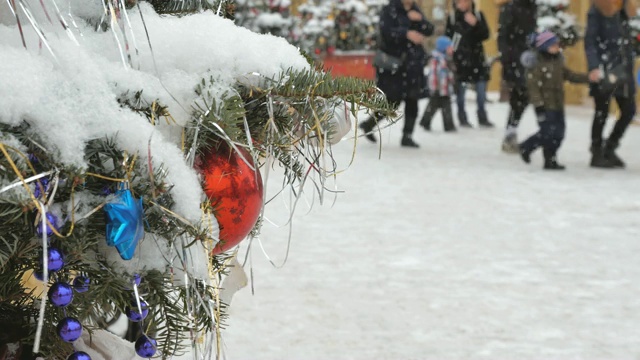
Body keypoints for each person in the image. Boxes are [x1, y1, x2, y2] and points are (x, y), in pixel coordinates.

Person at [358, 0, 434, 148]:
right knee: (392, 101)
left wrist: (420, 20)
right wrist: (406, 33)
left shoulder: (416, 10)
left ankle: (407, 135)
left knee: (413, 100)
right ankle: (369, 124)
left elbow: (429, 29)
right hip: (395, 65)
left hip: (413, 64)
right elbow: (385, 31)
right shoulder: (390, 9)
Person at [518, 31, 590, 170]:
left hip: (557, 103)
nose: (557, 47)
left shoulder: (557, 61)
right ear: (545, 46)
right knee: (547, 133)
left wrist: (588, 78)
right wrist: (538, 105)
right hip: (545, 105)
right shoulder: (536, 63)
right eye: (553, 45)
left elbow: (570, 75)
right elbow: (533, 87)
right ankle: (526, 147)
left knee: (559, 133)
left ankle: (550, 159)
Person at [584, 0, 637, 168]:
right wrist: (594, 66)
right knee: (602, 112)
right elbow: (590, 41)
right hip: (605, 69)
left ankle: (610, 147)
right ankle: (596, 151)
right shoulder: (599, 9)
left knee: (629, 110)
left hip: (623, 70)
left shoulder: (625, 9)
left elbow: (626, 40)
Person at [445, 0, 494, 128]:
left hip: (477, 58)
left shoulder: (478, 15)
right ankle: (462, 118)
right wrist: (451, 49)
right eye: (459, 1)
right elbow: (450, 37)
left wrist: (476, 24)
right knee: (460, 92)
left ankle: (482, 117)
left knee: (481, 91)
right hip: (461, 60)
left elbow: (486, 34)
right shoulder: (453, 17)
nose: (462, 4)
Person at [497, 0, 538, 153]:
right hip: (515, 59)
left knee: (523, 97)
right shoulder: (511, 8)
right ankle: (510, 134)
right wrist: (507, 61)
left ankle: (511, 132)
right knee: (520, 96)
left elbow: (532, 33)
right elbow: (503, 36)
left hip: (529, 60)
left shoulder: (532, 7)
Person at [419, 36, 456, 132]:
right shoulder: (437, 59)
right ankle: (426, 122)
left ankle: (448, 125)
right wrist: (435, 87)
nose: (452, 49)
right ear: (443, 48)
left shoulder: (447, 59)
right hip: (438, 88)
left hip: (445, 88)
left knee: (443, 107)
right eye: (449, 47)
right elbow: (434, 74)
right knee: (433, 107)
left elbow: (449, 73)